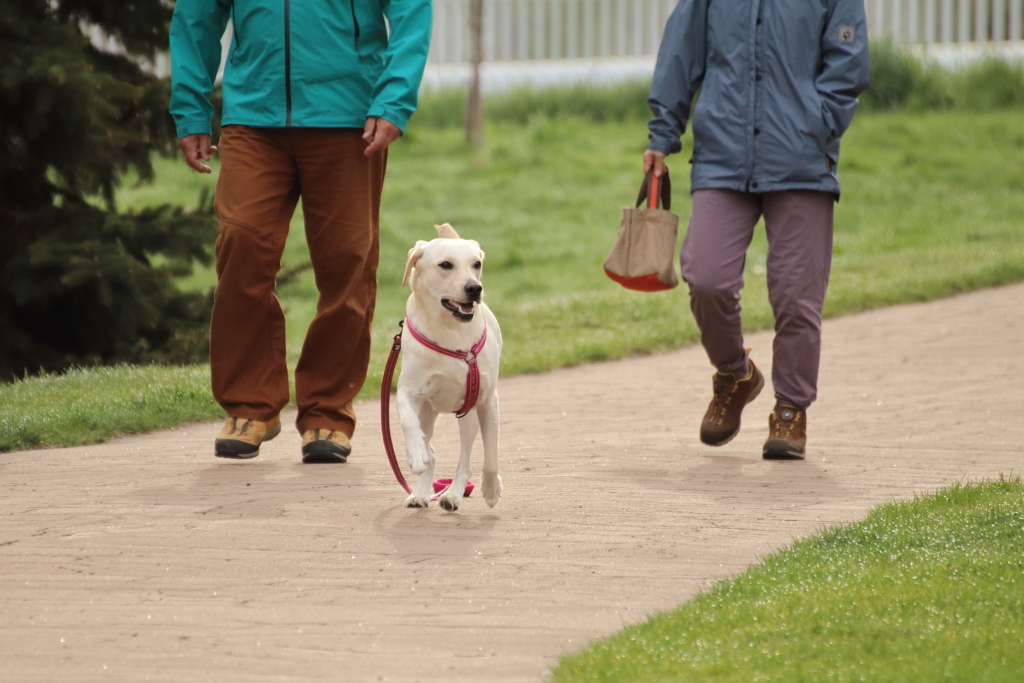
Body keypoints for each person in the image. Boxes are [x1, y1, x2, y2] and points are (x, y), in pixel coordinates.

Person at [169, 1, 432, 463]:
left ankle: (327, 411)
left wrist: (393, 98)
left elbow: (412, 12)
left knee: (348, 261)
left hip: (348, 114)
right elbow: (197, 16)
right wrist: (191, 108)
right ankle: (251, 405)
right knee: (242, 240)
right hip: (253, 113)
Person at [643, 0, 869, 459]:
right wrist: (662, 134)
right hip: (722, 156)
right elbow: (679, 54)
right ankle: (735, 374)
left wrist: (819, 123)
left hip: (801, 159)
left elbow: (848, 64)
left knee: (796, 294)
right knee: (705, 276)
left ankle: (790, 409)